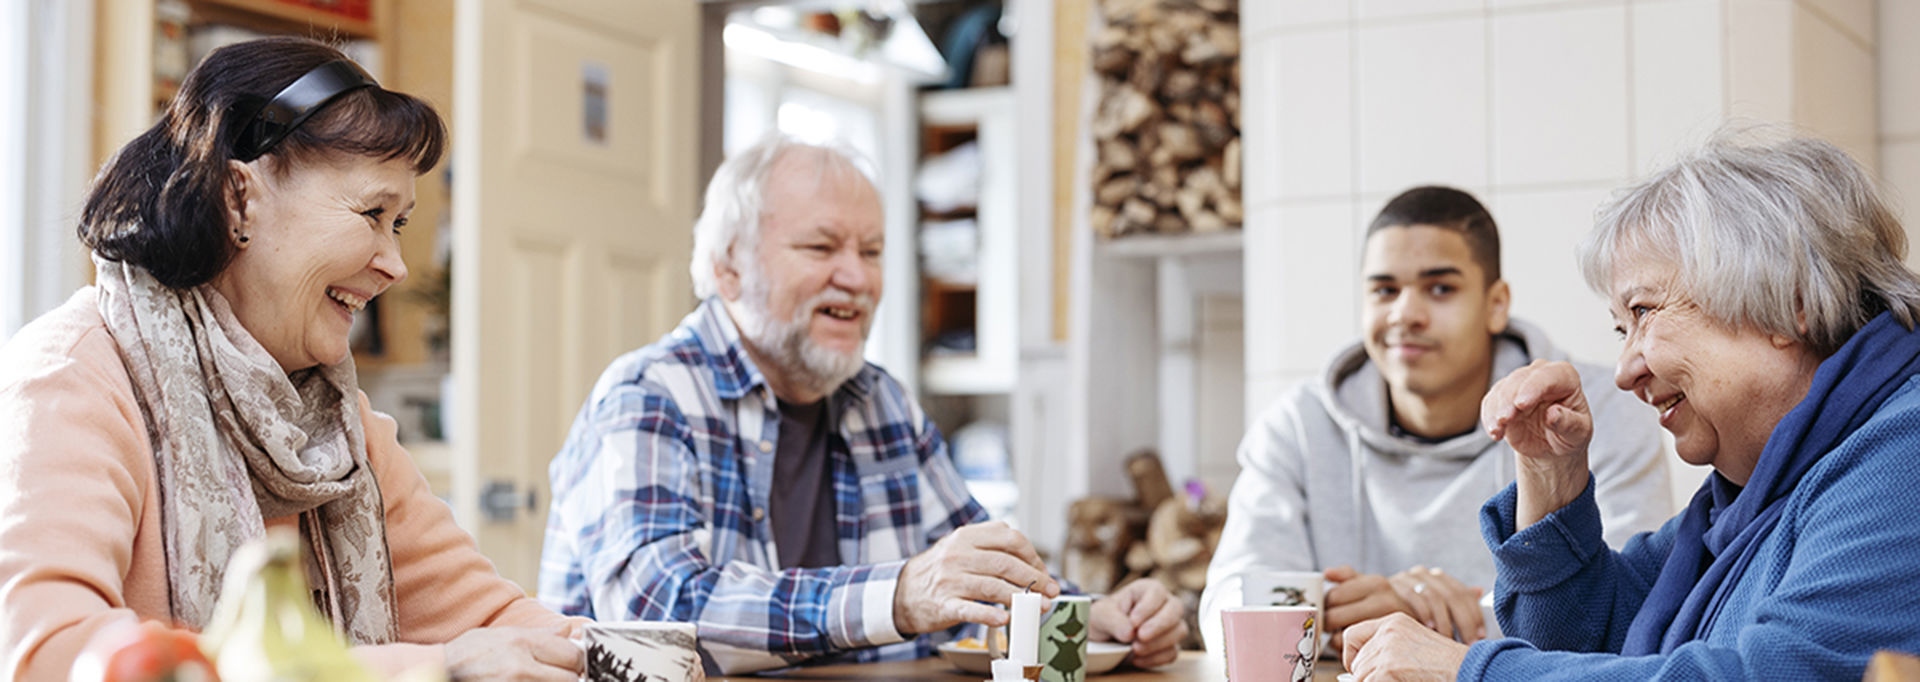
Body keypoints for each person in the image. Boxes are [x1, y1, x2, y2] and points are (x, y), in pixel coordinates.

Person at [0, 38, 588, 680]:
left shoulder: (341, 425)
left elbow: (499, 626)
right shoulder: (71, 374)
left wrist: (655, 655)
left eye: (400, 224)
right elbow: (48, 653)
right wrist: (430, 669)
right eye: (373, 213)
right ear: (238, 199)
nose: (395, 265)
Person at [537, 134, 1187, 674]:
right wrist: (899, 598)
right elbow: (653, 614)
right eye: (821, 247)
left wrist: (1094, 614)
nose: (858, 276)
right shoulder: (648, 397)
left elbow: (983, 578)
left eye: (872, 251)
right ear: (729, 266)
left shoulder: (882, 403)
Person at [1342, 133, 1920, 680]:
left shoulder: (1905, 454)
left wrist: (1466, 671)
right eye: (1622, 329)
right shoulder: (1746, 497)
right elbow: (1586, 641)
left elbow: (1773, 675)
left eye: (1644, 312)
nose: (1625, 371)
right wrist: (1552, 483)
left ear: (1788, 303)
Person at [1201, 186, 1673, 651]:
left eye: (1440, 288)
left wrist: (1420, 619)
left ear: (1496, 305)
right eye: (1384, 290)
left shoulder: (1591, 412)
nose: (1405, 314)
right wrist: (1378, 608)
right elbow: (1228, 604)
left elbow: (1629, 611)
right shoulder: (1297, 426)